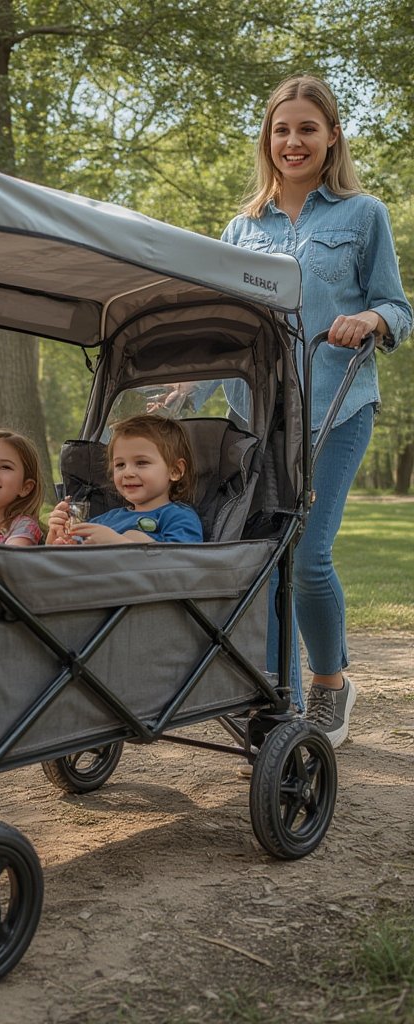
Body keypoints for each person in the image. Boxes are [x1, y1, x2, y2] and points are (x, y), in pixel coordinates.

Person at [220, 74, 412, 747]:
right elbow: (221, 323)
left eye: (307, 128)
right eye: (282, 129)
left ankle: (329, 687)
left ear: (331, 137)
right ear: (267, 140)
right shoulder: (240, 229)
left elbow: (400, 307)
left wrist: (368, 318)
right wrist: (182, 383)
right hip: (258, 413)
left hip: (337, 404)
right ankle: (278, 707)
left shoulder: (364, 216)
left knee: (305, 556)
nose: (293, 141)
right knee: (263, 557)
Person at [46, 414, 203, 545]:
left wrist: (119, 542)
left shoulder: (178, 516)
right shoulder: (105, 520)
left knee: (135, 535)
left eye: (141, 462)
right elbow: (66, 561)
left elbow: (184, 563)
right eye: (120, 465)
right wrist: (57, 537)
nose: (127, 473)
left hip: (147, 582)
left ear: (175, 471)